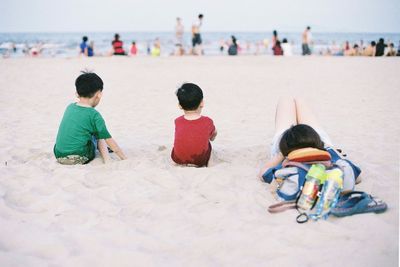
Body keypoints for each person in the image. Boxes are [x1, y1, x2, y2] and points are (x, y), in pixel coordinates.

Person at [259, 98, 361, 192]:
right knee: (299, 101)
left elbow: (263, 173)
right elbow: (357, 177)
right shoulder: (330, 158)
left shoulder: (286, 165)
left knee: (286, 101)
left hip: (297, 143)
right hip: (314, 141)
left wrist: (281, 154)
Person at [54, 72, 127, 165]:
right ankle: (107, 159)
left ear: (77, 93)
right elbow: (108, 139)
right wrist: (124, 157)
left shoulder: (70, 107)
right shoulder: (94, 115)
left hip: (59, 155)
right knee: (100, 135)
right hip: (79, 156)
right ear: (99, 94)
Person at [171, 83, 217, 167]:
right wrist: (212, 135)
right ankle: (209, 163)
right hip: (200, 160)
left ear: (180, 106)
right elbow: (213, 136)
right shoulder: (208, 121)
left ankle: (178, 161)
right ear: (202, 103)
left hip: (178, 158)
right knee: (209, 143)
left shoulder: (177, 121)